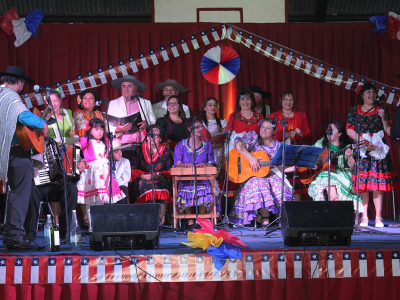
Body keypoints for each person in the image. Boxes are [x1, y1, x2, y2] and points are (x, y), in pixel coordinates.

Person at [0, 66, 48, 250]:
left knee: (14, 194)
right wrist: (42, 123)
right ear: (19, 82)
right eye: (23, 83)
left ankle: (12, 234)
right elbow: (24, 116)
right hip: (15, 152)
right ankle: (15, 237)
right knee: (20, 194)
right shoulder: (10, 96)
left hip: (5, 151)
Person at [346, 83, 399, 227]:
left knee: (377, 184)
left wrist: (383, 118)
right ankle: (364, 216)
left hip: (377, 148)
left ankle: (378, 217)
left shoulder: (381, 109)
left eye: (374, 92)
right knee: (363, 184)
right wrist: (364, 142)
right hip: (362, 147)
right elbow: (349, 130)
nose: (372, 95)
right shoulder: (354, 111)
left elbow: (388, 130)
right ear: (362, 95)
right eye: (368, 92)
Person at [229, 119, 294, 226]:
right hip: (253, 175)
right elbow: (238, 146)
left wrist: (294, 167)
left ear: (274, 131)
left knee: (279, 186)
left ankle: (281, 220)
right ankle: (265, 216)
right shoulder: (253, 137)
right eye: (262, 127)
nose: (264, 130)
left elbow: (281, 167)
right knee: (258, 183)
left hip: (272, 173)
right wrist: (250, 158)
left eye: (268, 128)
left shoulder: (279, 146)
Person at [76, 118, 125, 225]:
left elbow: (115, 138)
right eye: (96, 129)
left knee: (101, 199)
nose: (100, 131)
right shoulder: (86, 141)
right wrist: (79, 161)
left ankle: (99, 224)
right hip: (92, 172)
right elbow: (76, 147)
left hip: (104, 173)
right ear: (89, 130)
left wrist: (117, 131)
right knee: (91, 200)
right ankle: (91, 225)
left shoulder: (105, 142)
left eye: (102, 129)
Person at [24, 161, 86, 241]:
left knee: (71, 188)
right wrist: (32, 168)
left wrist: (82, 164)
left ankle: (65, 232)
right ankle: (30, 233)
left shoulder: (65, 148)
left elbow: (79, 161)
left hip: (58, 185)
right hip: (39, 184)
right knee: (31, 189)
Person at [308, 121, 362, 211]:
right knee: (325, 176)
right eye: (328, 129)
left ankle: (334, 204)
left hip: (343, 174)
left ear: (340, 133)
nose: (329, 132)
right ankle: (333, 203)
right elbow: (309, 154)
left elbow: (352, 166)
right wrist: (313, 164)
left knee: (326, 177)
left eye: (332, 130)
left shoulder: (347, 147)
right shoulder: (321, 143)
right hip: (324, 174)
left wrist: (349, 157)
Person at [268, 90, 311, 200]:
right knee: (281, 179)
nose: (288, 102)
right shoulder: (273, 116)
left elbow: (307, 134)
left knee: (296, 181)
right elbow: (270, 134)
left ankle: (296, 210)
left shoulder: (301, 115)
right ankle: (281, 211)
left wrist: (301, 133)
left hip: (296, 150)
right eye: (285, 99)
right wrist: (286, 134)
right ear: (280, 101)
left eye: (290, 99)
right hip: (280, 150)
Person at [174, 117, 217, 224]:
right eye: (197, 127)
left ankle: (201, 219)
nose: (200, 129)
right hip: (185, 179)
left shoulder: (207, 145)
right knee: (185, 189)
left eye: (201, 126)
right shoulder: (181, 145)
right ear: (189, 129)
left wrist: (205, 164)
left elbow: (211, 163)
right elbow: (177, 165)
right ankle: (189, 219)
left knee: (205, 188)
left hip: (203, 179)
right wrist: (185, 165)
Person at [130, 125, 174, 224]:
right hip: (143, 178)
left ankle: (160, 219)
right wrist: (142, 176)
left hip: (160, 178)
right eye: (150, 135)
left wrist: (161, 175)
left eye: (156, 135)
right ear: (147, 136)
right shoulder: (139, 149)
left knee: (163, 186)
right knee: (145, 185)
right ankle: (145, 220)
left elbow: (170, 170)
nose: (152, 137)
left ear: (161, 138)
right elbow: (132, 169)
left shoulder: (166, 151)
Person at [108, 75, 156, 159]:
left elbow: (153, 120)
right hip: (121, 146)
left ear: (135, 88)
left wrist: (147, 123)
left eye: (129, 86)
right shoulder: (113, 103)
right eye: (123, 86)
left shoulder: (145, 102)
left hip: (141, 145)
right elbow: (107, 125)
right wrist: (117, 129)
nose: (126, 89)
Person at [200, 97, 227, 171]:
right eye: (210, 105)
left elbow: (225, 139)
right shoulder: (200, 122)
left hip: (217, 152)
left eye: (215, 105)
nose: (213, 107)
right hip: (203, 151)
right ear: (204, 108)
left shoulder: (222, 123)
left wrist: (217, 145)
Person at [111, 139, 131, 204]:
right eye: (116, 152)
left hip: (120, 185)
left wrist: (115, 184)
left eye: (120, 151)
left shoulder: (125, 161)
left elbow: (126, 177)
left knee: (121, 193)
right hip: (108, 185)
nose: (120, 154)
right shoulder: (106, 162)